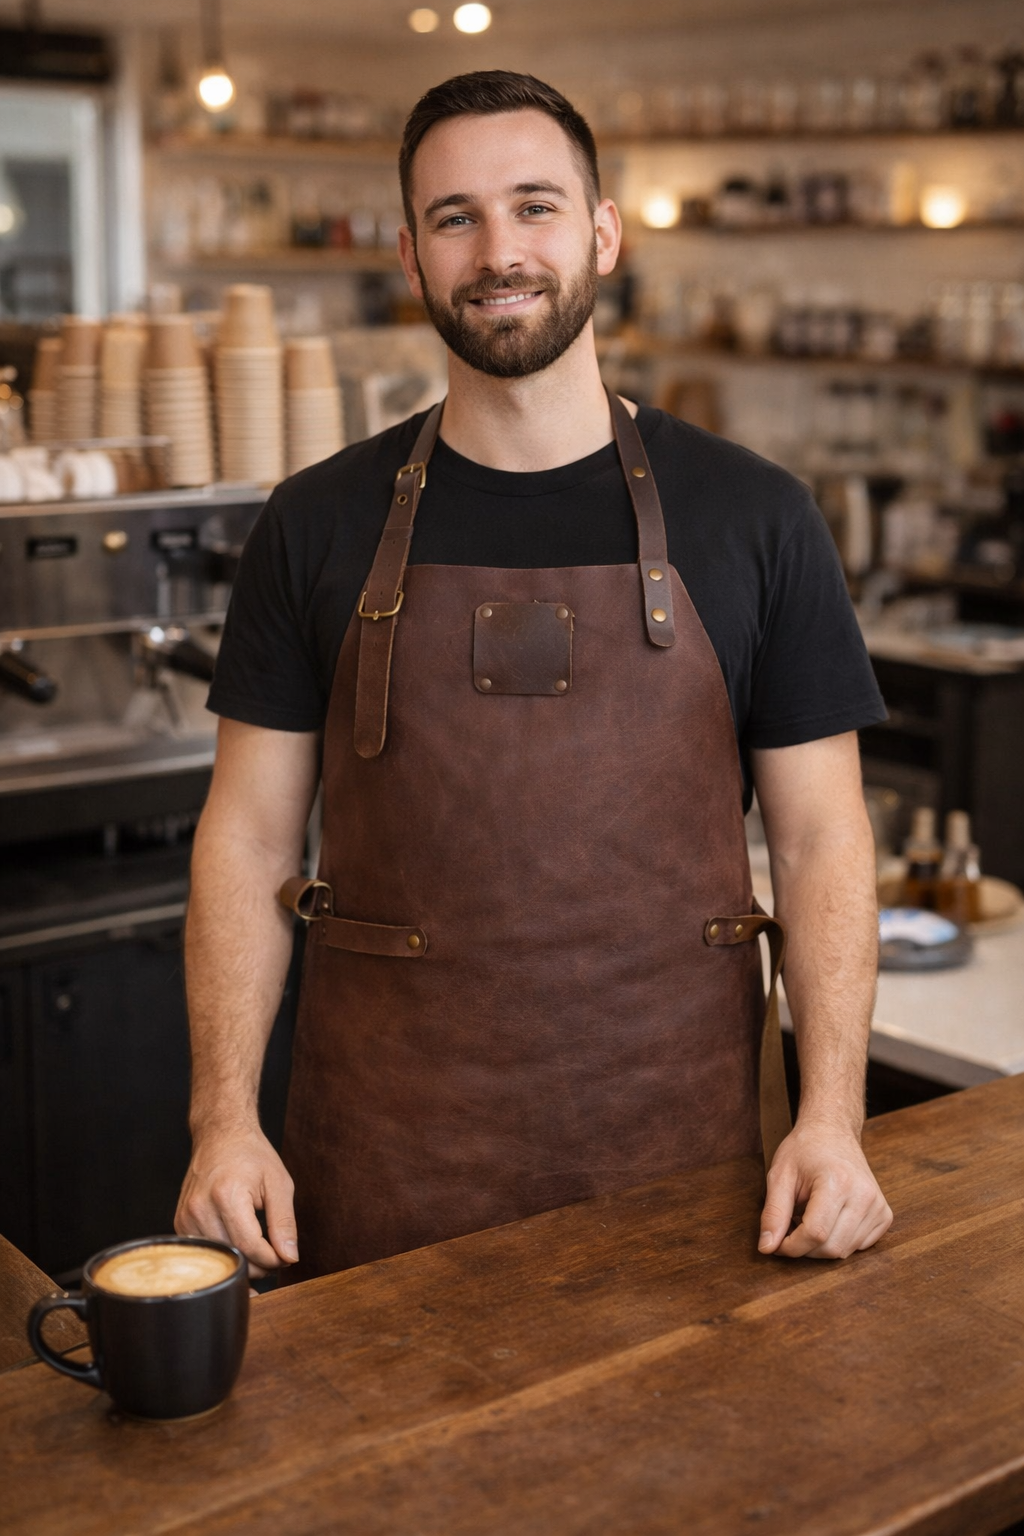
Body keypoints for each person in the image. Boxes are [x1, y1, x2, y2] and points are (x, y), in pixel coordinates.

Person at [175, 70, 893, 1282]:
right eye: (455, 217)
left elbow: (823, 838)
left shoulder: (758, 517)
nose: (498, 251)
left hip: (691, 1165)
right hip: (382, 1170)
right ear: (410, 254)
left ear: (603, 232)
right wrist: (223, 1120)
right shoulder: (312, 524)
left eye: (535, 206)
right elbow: (247, 842)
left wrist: (833, 1118)